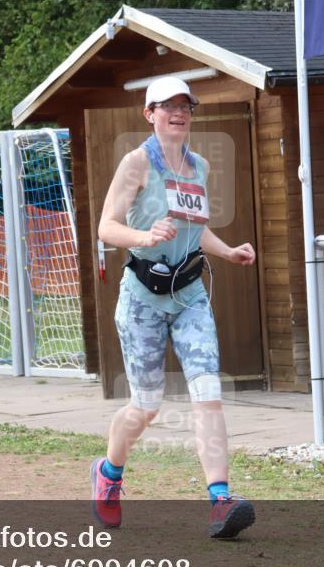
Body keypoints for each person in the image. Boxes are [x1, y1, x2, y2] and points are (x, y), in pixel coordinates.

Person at [91, 76, 258, 539]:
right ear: (150, 114)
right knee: (146, 406)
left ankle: (220, 500)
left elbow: (193, 229)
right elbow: (107, 226)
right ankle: (108, 473)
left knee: (208, 392)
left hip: (190, 296)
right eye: (168, 106)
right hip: (142, 299)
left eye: (186, 106)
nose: (179, 113)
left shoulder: (199, 165)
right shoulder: (136, 163)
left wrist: (228, 252)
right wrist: (145, 237)